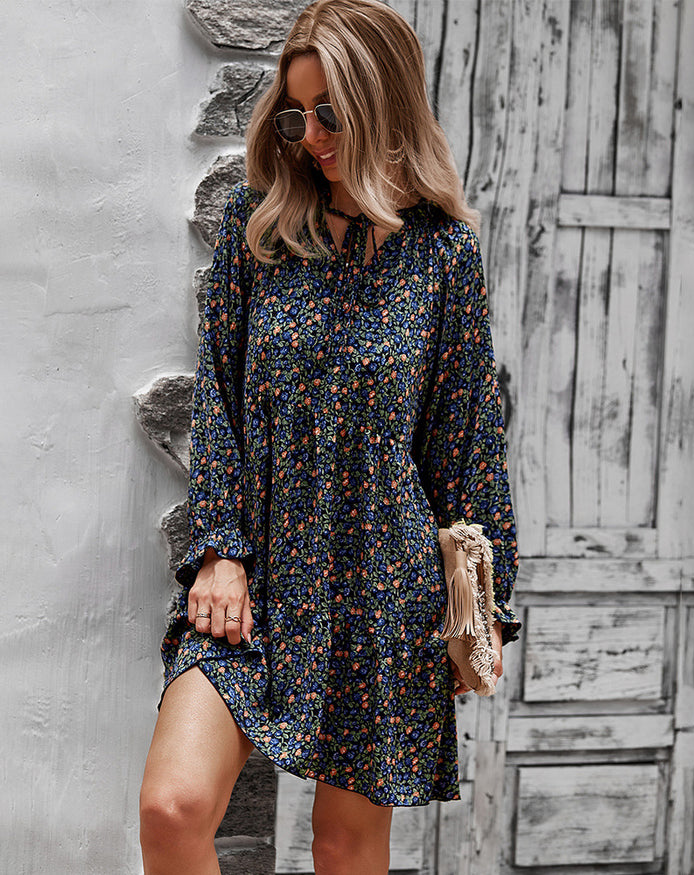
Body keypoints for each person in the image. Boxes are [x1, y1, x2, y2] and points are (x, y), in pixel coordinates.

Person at [139, 1, 520, 872]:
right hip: (257, 576)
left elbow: (467, 441)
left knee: (345, 849)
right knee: (172, 806)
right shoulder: (257, 231)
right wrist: (219, 551)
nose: (310, 136)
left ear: (385, 103)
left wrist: (484, 614)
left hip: (385, 587)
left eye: (330, 114)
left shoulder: (445, 255)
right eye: (294, 116)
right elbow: (219, 405)